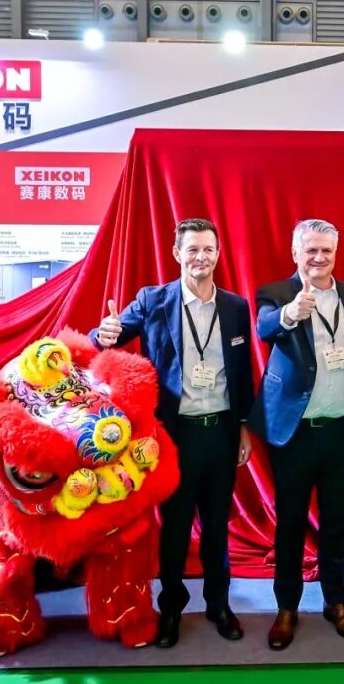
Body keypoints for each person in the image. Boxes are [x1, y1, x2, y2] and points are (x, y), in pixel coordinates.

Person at [90, 218, 254, 649]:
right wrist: (102, 334)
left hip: (220, 432)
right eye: (193, 249)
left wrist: (243, 426)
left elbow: (242, 373)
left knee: (217, 528)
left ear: (218, 254)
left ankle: (219, 604)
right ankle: (172, 609)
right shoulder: (154, 301)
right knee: (176, 529)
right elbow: (106, 337)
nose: (201, 257)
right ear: (177, 253)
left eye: (208, 249)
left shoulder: (236, 307)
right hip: (174, 436)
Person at [248, 219, 344, 651]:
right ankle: (287, 607)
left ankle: (337, 602)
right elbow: (264, 328)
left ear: (335, 253)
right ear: (295, 253)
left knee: (337, 522)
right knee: (291, 523)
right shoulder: (276, 293)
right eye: (311, 251)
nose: (319, 258)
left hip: (341, 429)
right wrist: (289, 314)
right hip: (294, 433)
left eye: (326, 251)